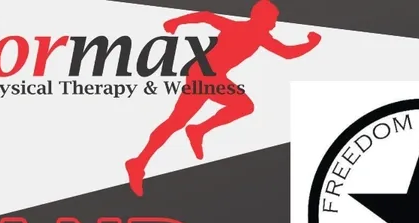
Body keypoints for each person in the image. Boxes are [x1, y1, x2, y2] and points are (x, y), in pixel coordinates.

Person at [125, 4, 321, 196]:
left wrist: (177, 22)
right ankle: (142, 161)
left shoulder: (252, 33)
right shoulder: (247, 31)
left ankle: (193, 132)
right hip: (203, 76)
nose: (274, 25)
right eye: (272, 20)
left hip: (211, 76)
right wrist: (312, 43)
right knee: (180, 121)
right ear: (260, 18)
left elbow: (207, 17)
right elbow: (287, 52)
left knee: (240, 107)